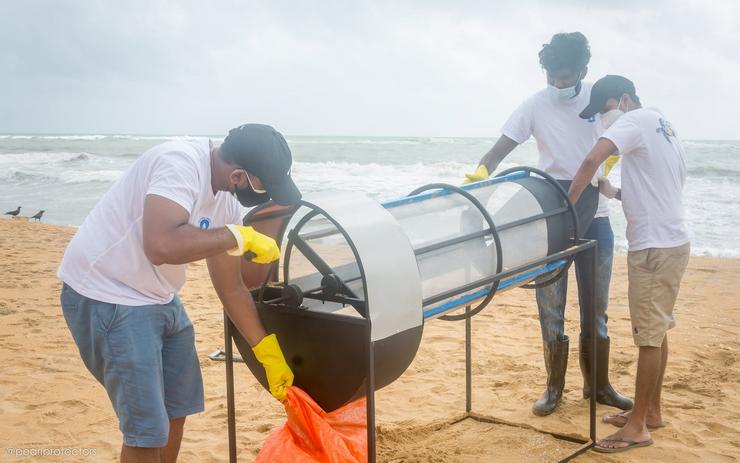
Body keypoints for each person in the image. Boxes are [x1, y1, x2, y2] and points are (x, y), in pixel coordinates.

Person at [57, 124, 301, 463]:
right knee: (146, 430)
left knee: (177, 408)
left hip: (158, 294)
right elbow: (160, 245)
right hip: (107, 293)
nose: (266, 196)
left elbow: (231, 287)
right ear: (238, 176)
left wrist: (266, 351)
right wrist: (237, 238)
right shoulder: (179, 163)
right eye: (264, 186)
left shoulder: (227, 203)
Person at [464, 32, 632, 416]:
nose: (558, 85)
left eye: (565, 77)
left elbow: (621, 140)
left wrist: (606, 170)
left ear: (583, 71)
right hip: (553, 211)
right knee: (550, 305)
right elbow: (503, 145)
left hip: (596, 216)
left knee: (597, 307)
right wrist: (480, 172)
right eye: (551, 78)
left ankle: (599, 385)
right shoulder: (535, 104)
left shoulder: (599, 98)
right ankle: (553, 388)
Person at [568, 75, 690, 453]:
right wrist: (615, 192)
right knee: (658, 329)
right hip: (673, 240)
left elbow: (592, 159)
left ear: (623, 100)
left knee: (648, 337)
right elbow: (660, 187)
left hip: (653, 248)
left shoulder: (632, 120)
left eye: (604, 111)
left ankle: (637, 427)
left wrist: (566, 211)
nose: (604, 120)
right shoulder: (663, 124)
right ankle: (650, 410)